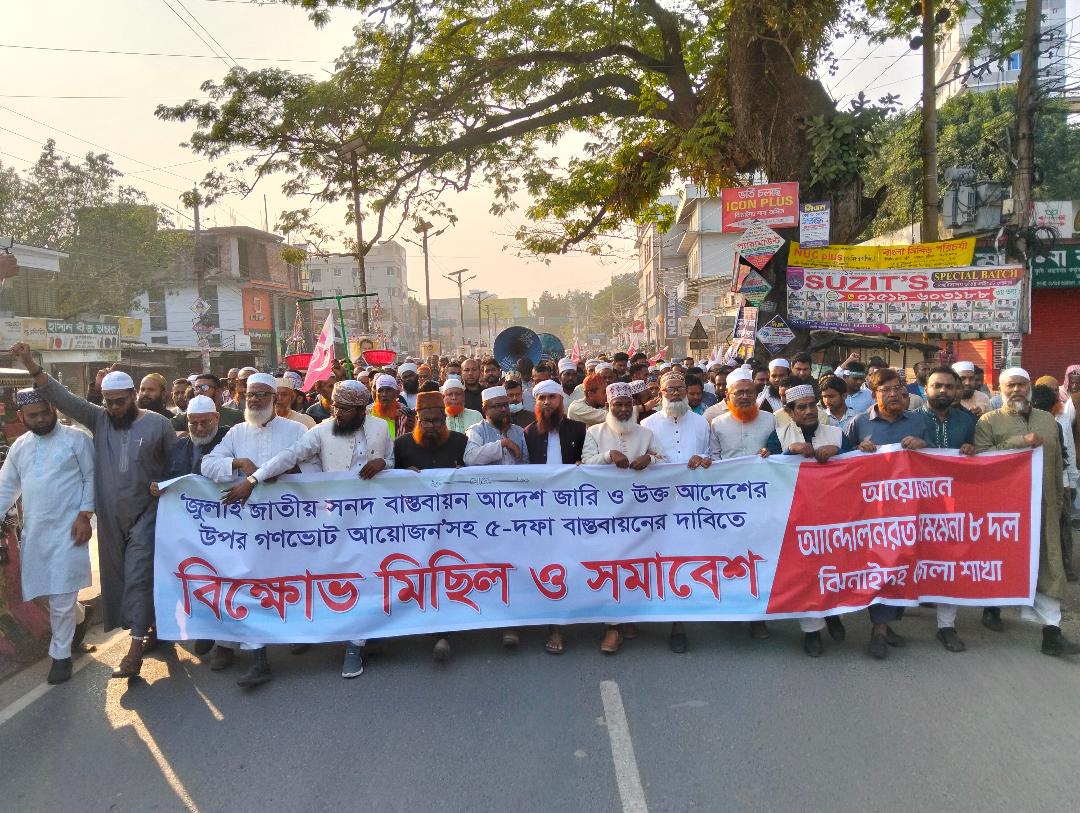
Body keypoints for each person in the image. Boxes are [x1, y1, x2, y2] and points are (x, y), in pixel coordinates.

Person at [11, 343, 177, 679]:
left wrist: (166, 486)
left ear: (132, 396)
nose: (114, 408)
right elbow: (62, 397)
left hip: (149, 515)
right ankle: (153, 625)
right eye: (108, 402)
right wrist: (30, 363)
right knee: (122, 580)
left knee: (139, 575)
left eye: (120, 401)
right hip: (111, 521)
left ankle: (134, 651)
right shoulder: (100, 420)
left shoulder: (159, 425)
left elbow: (177, 466)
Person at [224, 380, 392, 679]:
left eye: (345, 409)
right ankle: (324, 633)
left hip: (372, 520)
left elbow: (390, 460)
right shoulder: (322, 430)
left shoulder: (380, 427)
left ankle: (355, 647)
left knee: (366, 578)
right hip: (332, 520)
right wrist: (253, 480)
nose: (338, 413)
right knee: (337, 580)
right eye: (336, 407)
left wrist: (383, 463)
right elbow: (289, 456)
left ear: (361, 409)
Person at [201, 373, 309, 687]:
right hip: (248, 528)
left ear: (275, 399)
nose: (255, 400)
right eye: (250, 395)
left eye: (262, 395)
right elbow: (207, 464)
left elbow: (314, 468)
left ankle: (298, 632)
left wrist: (288, 470)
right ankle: (258, 660)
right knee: (250, 586)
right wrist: (238, 464)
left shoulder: (296, 430)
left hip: (288, 527)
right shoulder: (237, 432)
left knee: (290, 583)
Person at [973, 368, 1080, 656]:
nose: (1016, 390)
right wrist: (1020, 442)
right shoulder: (988, 421)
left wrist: (1058, 502)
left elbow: (1056, 463)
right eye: (1010, 385)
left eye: (1021, 385)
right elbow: (981, 460)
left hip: (1043, 508)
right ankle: (992, 607)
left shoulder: (1047, 420)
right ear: (1000, 389)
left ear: (1029, 387)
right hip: (1004, 512)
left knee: (1048, 565)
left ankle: (1052, 633)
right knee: (1002, 562)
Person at [0, 388, 94, 684]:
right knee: (43, 593)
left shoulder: (77, 439)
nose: (41, 419)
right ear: (21, 417)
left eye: (45, 412)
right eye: (34, 415)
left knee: (62, 594)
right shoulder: (20, 447)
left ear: (54, 409)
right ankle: (82, 616)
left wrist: (85, 515)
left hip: (71, 530)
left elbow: (92, 477)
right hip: (36, 533)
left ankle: (61, 656)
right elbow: (6, 487)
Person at [846, 367, 932, 660]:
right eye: (886, 390)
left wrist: (924, 445)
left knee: (902, 564)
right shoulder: (859, 423)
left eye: (898, 389)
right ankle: (879, 630)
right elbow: (843, 461)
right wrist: (858, 449)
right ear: (874, 394)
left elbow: (938, 458)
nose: (894, 394)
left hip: (910, 509)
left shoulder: (918, 422)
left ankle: (888, 623)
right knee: (880, 564)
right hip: (873, 512)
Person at [762, 384, 851, 656]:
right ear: (790, 412)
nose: (810, 411)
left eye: (813, 405)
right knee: (805, 575)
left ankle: (833, 613)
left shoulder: (836, 434)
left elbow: (857, 465)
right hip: (796, 518)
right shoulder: (778, 437)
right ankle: (812, 631)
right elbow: (768, 472)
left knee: (834, 568)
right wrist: (789, 453)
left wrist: (838, 452)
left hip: (833, 517)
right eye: (802, 407)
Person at [582, 383, 663, 654]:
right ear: (608, 406)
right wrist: (608, 456)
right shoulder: (594, 432)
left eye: (628, 404)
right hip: (606, 514)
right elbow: (585, 464)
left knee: (637, 565)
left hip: (641, 514)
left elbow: (666, 460)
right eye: (618, 404)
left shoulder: (646, 433)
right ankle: (613, 626)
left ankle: (629, 617)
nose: (624, 409)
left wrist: (650, 459)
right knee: (611, 566)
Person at [393, 390, 468, 662]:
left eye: (438, 421)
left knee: (449, 573)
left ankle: (444, 633)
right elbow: (388, 482)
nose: (433, 426)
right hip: (416, 527)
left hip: (454, 524)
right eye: (427, 421)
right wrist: (401, 476)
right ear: (417, 419)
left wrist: (463, 474)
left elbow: (477, 478)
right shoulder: (401, 446)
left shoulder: (460, 442)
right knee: (422, 575)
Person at [642, 373, 713, 652]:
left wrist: (703, 459)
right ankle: (666, 617)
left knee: (687, 558)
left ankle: (681, 619)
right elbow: (644, 460)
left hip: (693, 506)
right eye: (669, 389)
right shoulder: (648, 424)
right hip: (659, 505)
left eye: (679, 389)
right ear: (660, 392)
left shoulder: (701, 422)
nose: (675, 393)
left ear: (687, 391)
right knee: (662, 560)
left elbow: (712, 455)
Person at [709, 369, 777, 460]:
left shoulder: (770, 419)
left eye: (749, 392)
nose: (745, 397)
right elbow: (714, 456)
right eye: (739, 393)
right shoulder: (717, 423)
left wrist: (770, 451)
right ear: (727, 395)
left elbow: (778, 450)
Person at [524, 379, 587, 467]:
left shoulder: (579, 429)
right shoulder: (529, 432)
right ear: (536, 402)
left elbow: (587, 458)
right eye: (541, 398)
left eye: (552, 397)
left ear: (561, 399)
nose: (547, 402)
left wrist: (583, 463)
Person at [463, 386, 529, 468]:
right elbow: (470, 458)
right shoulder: (475, 431)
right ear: (485, 410)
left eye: (506, 405)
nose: (503, 409)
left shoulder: (519, 431)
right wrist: (503, 443)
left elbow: (526, 462)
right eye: (498, 406)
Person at [174, 374, 243, 432]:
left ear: (218, 391)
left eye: (205, 387)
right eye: (196, 388)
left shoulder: (235, 416)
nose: (199, 392)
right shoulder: (186, 417)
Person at [369, 374, 417, 439]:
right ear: (376, 393)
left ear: (397, 393)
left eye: (388, 390)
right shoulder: (368, 413)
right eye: (380, 391)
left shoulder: (404, 415)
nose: (384, 394)